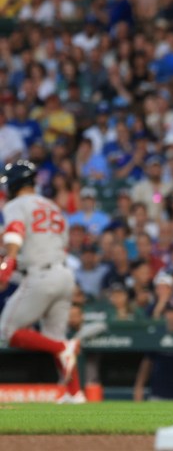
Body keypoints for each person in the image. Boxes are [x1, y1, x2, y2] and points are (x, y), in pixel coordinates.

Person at [0, 160, 83, 403]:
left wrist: (10, 261)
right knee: (55, 335)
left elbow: (15, 230)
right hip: (64, 274)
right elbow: (59, 244)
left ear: (16, 183)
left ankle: (62, 349)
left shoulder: (16, 204)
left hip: (40, 275)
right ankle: (75, 394)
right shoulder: (55, 207)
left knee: (7, 330)